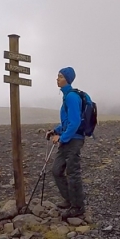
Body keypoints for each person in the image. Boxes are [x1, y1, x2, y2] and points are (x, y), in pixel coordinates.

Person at [46, 67, 86, 220]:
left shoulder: (71, 97)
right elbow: (67, 121)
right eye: (57, 76)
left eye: (60, 76)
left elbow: (75, 122)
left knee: (73, 173)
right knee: (57, 170)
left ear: (67, 80)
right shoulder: (67, 96)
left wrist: (61, 138)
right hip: (68, 139)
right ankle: (70, 200)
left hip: (74, 140)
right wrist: (55, 131)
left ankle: (78, 207)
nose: (57, 79)